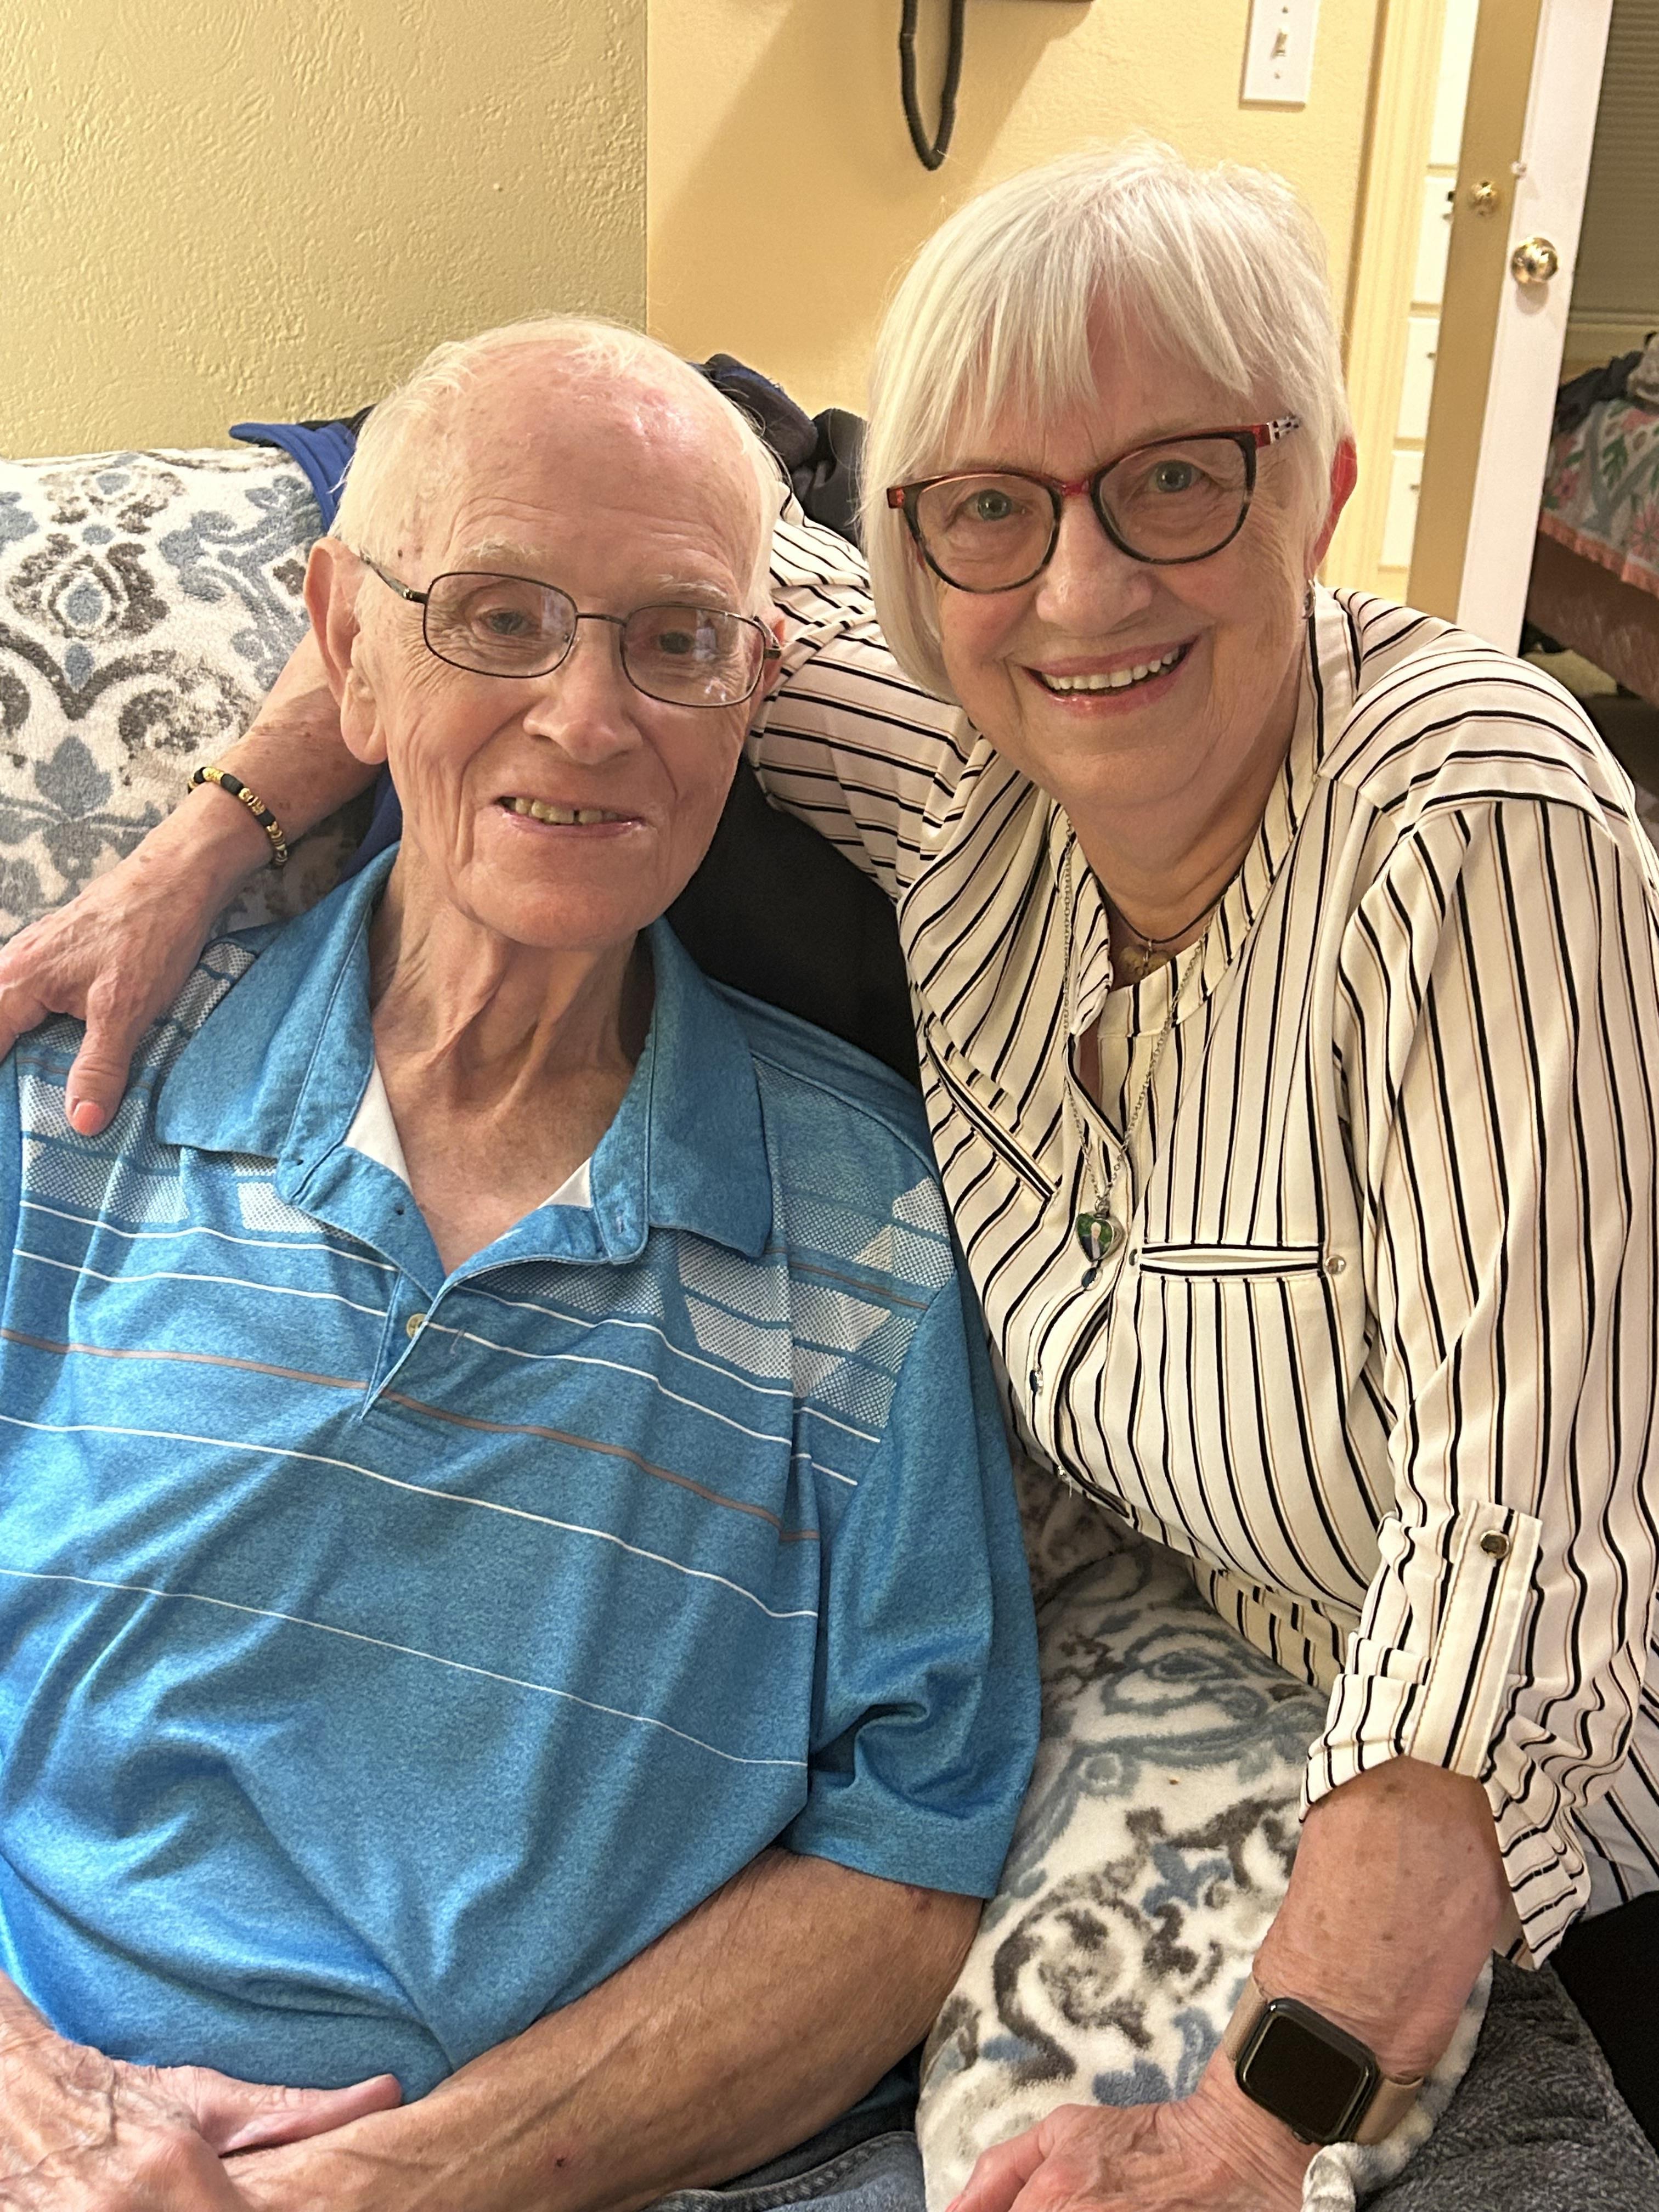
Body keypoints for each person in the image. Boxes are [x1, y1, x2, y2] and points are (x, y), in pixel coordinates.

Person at [8, 140, 1659, 2208]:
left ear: (1318, 493)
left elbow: (1520, 1581)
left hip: (1546, 1772)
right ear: (899, 555)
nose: (1078, 590)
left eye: (1179, 478)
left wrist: (1255, 2132)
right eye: (991, 507)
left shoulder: (1471, 823)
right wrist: (191, 856)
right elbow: (524, 547)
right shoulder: (967, 764)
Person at [0, 319, 1041, 2210]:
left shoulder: (874, 1210)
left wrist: (361, 2195)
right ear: (349, 648)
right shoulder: (74, 1105)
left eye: (674, 638)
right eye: (496, 617)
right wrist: (32, 2111)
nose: (588, 714)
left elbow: (915, 1851)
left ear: (758, 682)